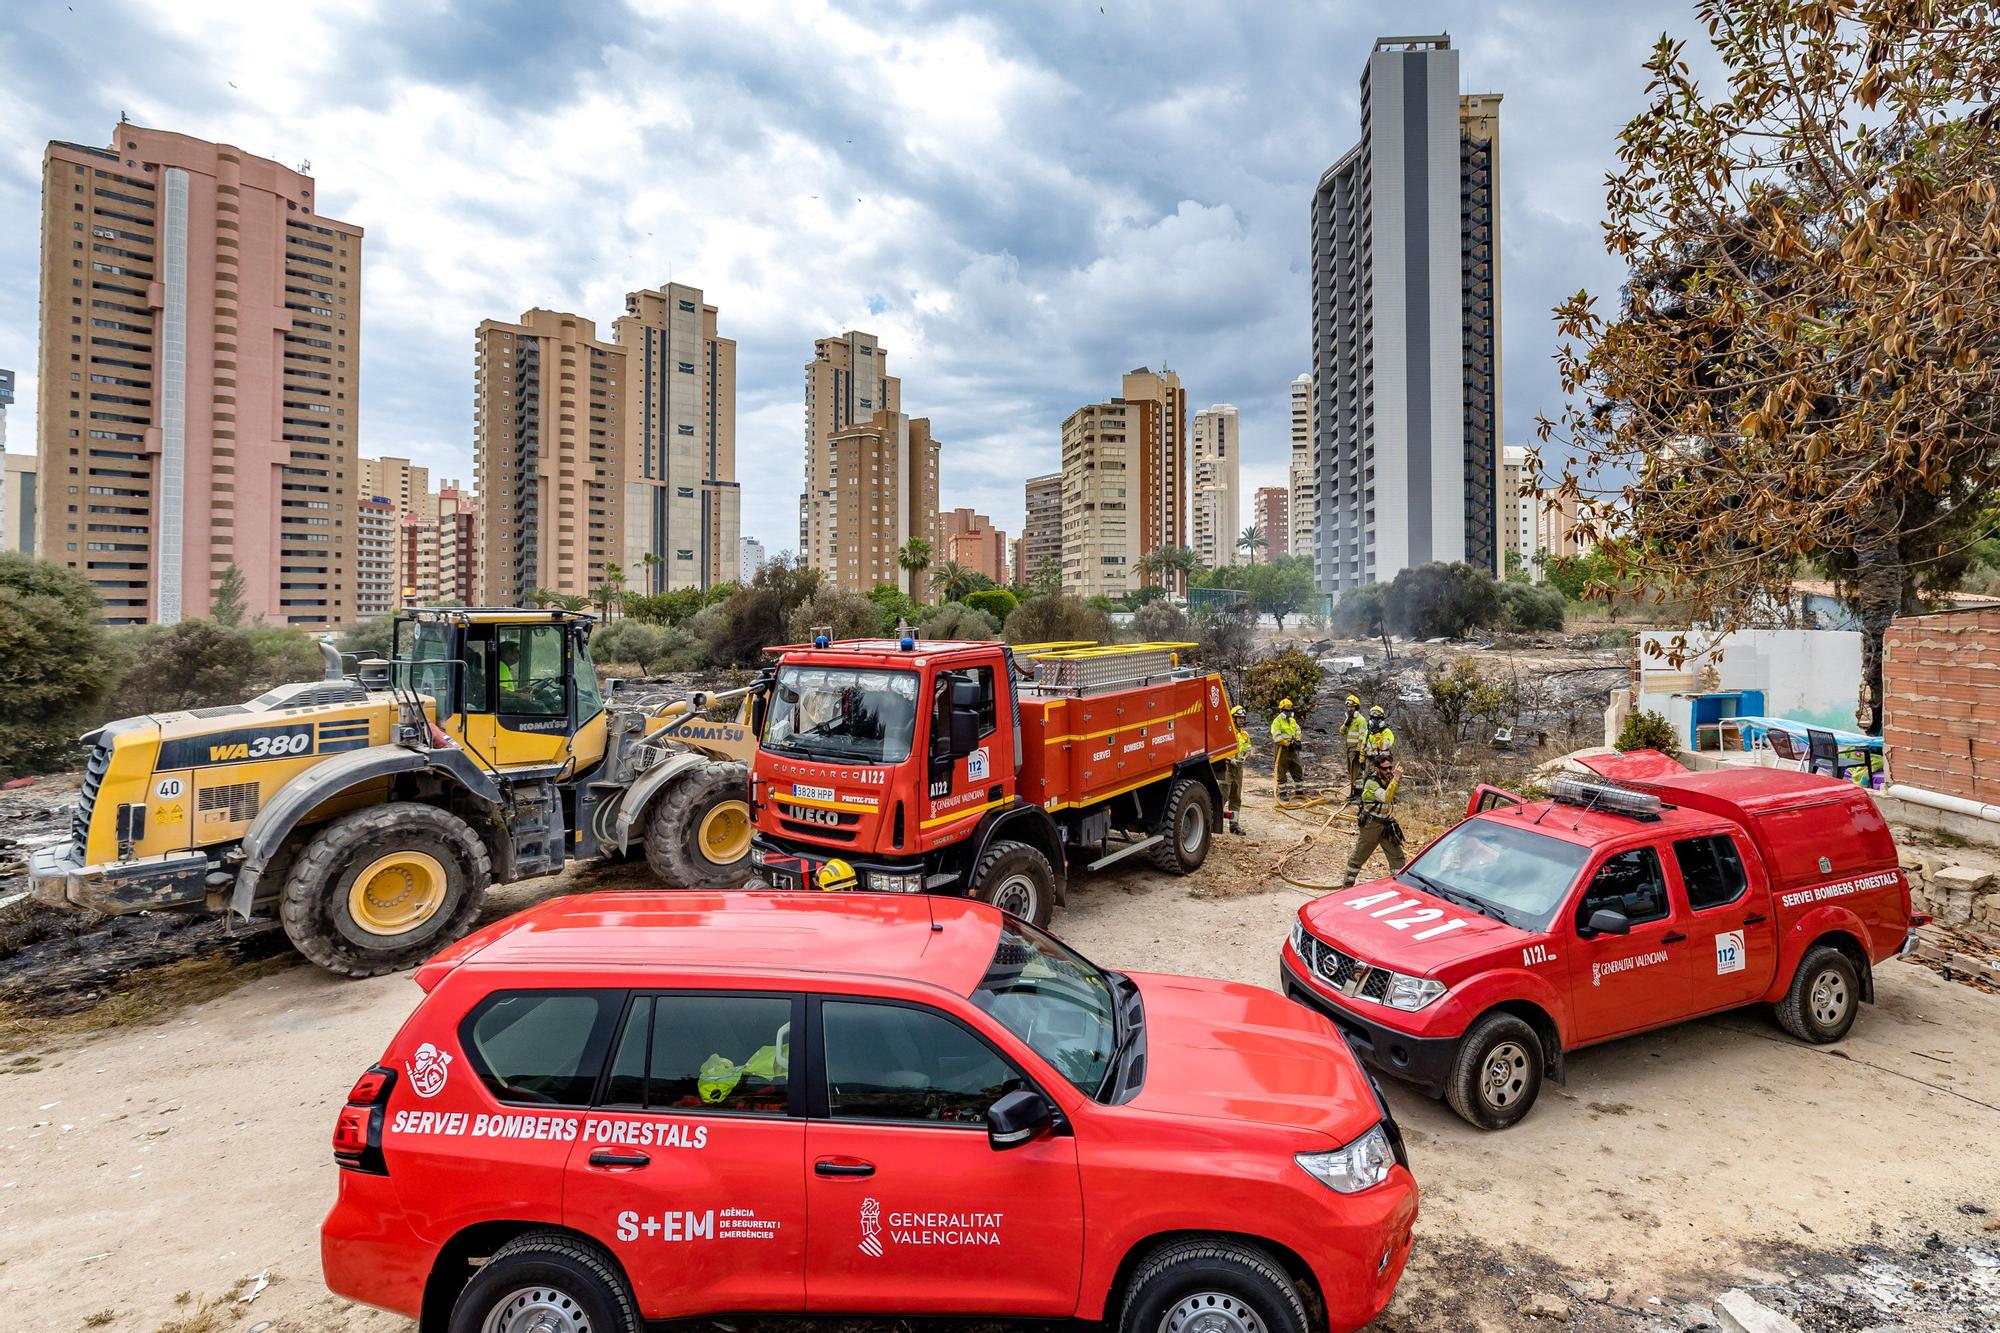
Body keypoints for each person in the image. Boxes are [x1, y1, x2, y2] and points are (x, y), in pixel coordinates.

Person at [1342, 752, 1408, 887]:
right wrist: (1395, 779)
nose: (1388, 771)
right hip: (1371, 826)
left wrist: (1394, 780)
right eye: (1385, 768)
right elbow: (1386, 797)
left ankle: (1399, 888)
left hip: (1386, 825)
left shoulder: (1387, 780)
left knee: (1397, 857)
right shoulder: (1372, 783)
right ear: (1377, 768)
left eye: (1390, 767)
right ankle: (1346, 887)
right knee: (1357, 859)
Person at [1217, 704, 1251, 835]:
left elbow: (1248, 749)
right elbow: (1220, 750)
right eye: (1239, 718)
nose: (1241, 720)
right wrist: (1231, 760)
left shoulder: (1244, 734)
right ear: (1233, 718)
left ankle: (1234, 825)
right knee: (1223, 796)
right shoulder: (1226, 732)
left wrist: (1244, 758)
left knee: (1236, 797)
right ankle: (1213, 823)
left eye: (1243, 718)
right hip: (1227, 767)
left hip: (1239, 768)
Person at [1271, 698, 1303, 802]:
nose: (1288, 713)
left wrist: (1298, 740)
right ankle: (1283, 793)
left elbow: (1297, 729)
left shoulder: (1292, 720)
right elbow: (1276, 736)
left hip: (1292, 748)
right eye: (1286, 711)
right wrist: (1287, 743)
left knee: (1297, 768)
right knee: (1281, 771)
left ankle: (1299, 792)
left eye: (1289, 711)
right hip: (1282, 749)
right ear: (1281, 711)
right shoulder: (1277, 721)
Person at [1341, 694, 1368, 791]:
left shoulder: (1361, 720)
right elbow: (1341, 732)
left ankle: (1358, 792)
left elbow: (1362, 737)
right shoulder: (1349, 719)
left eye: (1352, 707)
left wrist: (1359, 751)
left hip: (1356, 750)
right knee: (1351, 771)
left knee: (1358, 772)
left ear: (1356, 708)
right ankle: (1353, 791)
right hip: (1349, 749)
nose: (1350, 709)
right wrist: (1346, 724)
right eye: (1348, 707)